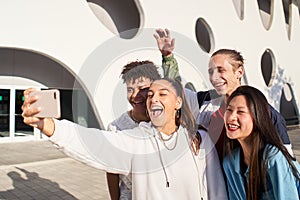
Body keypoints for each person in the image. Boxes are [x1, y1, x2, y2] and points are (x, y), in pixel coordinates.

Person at [21, 78, 228, 200]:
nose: (154, 98)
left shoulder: (199, 141)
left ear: (178, 102)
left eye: (162, 94)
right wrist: (50, 127)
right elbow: (96, 144)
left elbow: (217, 192)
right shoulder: (137, 140)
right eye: (150, 95)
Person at [106, 28, 182, 200]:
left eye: (142, 89)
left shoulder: (167, 121)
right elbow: (112, 171)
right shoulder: (116, 128)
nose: (135, 95)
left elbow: (174, 89)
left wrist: (168, 58)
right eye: (130, 90)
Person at [197, 49, 292, 159]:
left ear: (239, 72)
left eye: (221, 70)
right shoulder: (203, 102)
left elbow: (286, 164)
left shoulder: (268, 115)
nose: (214, 77)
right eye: (211, 72)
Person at [222, 85, 300, 200]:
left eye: (241, 111)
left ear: (257, 117)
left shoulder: (274, 158)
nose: (231, 117)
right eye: (229, 110)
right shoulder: (230, 163)